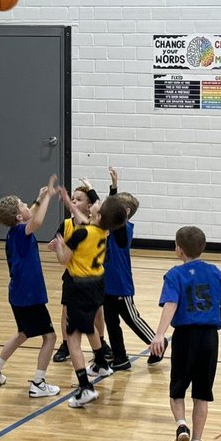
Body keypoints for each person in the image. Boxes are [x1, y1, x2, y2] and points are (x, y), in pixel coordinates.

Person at [149, 226, 221, 441]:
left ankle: (181, 425)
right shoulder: (215, 271)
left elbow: (171, 304)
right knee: (202, 395)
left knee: (177, 391)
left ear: (178, 249)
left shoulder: (175, 275)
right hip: (209, 338)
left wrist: (160, 334)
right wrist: (211, 321)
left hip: (185, 337)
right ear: (203, 247)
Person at [47, 193, 129, 407]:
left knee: (73, 336)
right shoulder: (103, 231)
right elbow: (85, 222)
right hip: (97, 284)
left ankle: (85, 387)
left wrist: (58, 247)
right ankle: (101, 363)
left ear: (98, 214)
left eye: (97, 205)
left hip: (79, 285)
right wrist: (68, 202)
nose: (94, 204)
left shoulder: (81, 233)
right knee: (90, 325)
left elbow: (64, 260)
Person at [0, 175, 62, 398]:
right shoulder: (21, 231)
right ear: (19, 216)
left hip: (18, 294)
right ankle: (39, 383)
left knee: (23, 333)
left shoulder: (14, 232)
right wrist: (47, 197)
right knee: (50, 337)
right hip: (29, 296)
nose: (29, 206)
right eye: (24, 205)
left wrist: (39, 198)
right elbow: (35, 221)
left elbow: (30, 214)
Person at [102, 167, 166, 370]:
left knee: (132, 318)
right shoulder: (110, 228)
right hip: (105, 284)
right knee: (111, 322)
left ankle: (158, 344)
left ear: (126, 212)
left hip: (120, 284)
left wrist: (114, 189)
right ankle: (120, 357)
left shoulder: (124, 230)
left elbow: (113, 216)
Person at [51, 178, 101, 364]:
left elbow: (99, 206)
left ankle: (100, 348)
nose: (73, 202)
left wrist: (90, 187)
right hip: (72, 275)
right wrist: (56, 246)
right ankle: (66, 345)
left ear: (89, 206)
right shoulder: (66, 224)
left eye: (78, 199)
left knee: (95, 314)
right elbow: (59, 248)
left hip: (91, 277)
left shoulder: (94, 225)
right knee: (66, 312)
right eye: (72, 199)